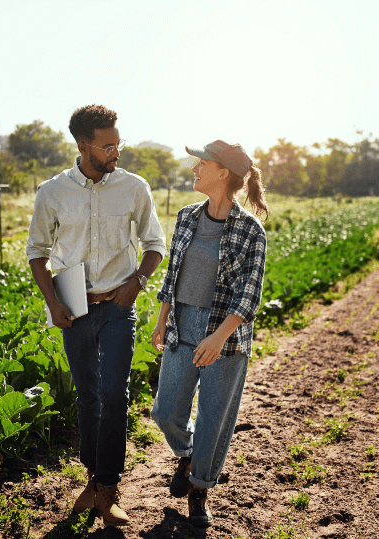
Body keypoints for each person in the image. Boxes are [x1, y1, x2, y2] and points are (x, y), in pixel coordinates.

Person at [26, 104, 166, 526]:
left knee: (114, 395)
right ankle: (92, 479)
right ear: (84, 146)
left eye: (118, 144)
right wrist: (54, 304)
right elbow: (37, 252)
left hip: (119, 309)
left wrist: (136, 283)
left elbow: (155, 244)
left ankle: (108, 485)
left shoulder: (134, 187)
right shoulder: (52, 192)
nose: (116, 152)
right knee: (86, 397)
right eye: (108, 146)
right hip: (76, 309)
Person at [150, 140, 269, 528]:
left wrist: (219, 336)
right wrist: (162, 317)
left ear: (222, 172)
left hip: (226, 336)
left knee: (214, 419)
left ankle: (200, 488)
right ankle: (187, 454)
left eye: (201, 163)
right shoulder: (186, 217)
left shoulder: (251, 231)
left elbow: (250, 292)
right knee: (165, 411)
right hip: (183, 326)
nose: (194, 169)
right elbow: (172, 273)